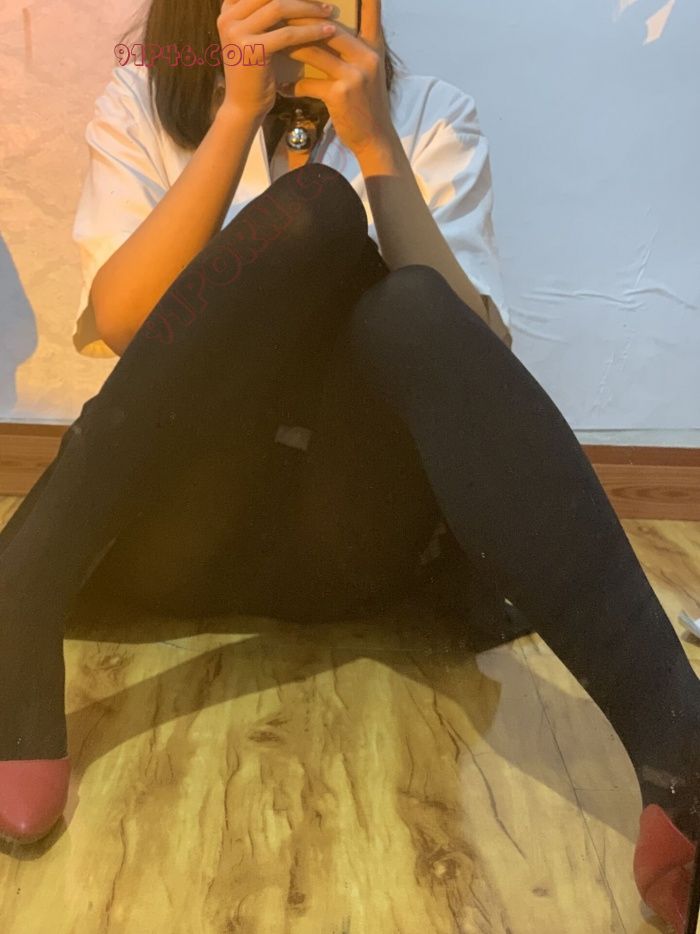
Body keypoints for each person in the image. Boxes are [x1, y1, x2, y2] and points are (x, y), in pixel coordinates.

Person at [0, 0, 697, 930]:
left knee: (408, 303)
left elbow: (476, 359)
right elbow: (122, 319)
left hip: (351, 540)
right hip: (186, 523)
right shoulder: (142, 102)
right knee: (313, 212)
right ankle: (24, 589)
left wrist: (376, 147)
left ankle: (678, 739)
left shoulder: (431, 113)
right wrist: (237, 114)